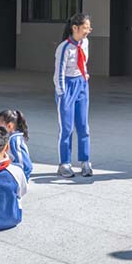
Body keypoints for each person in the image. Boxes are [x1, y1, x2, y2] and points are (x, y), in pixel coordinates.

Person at [53, 12, 92, 179]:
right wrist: (62, 94)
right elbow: (59, 73)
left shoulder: (85, 42)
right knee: (67, 128)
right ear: (75, 28)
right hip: (67, 87)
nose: (88, 31)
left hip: (81, 85)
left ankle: (85, 161)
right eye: (85, 28)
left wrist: (84, 76)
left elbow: (83, 61)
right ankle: (64, 163)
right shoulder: (64, 47)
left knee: (83, 126)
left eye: (89, 27)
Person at [0, 109, 33, 179]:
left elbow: (25, 164)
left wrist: (21, 180)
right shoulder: (10, 138)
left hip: (16, 178)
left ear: (9, 126)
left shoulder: (14, 140)